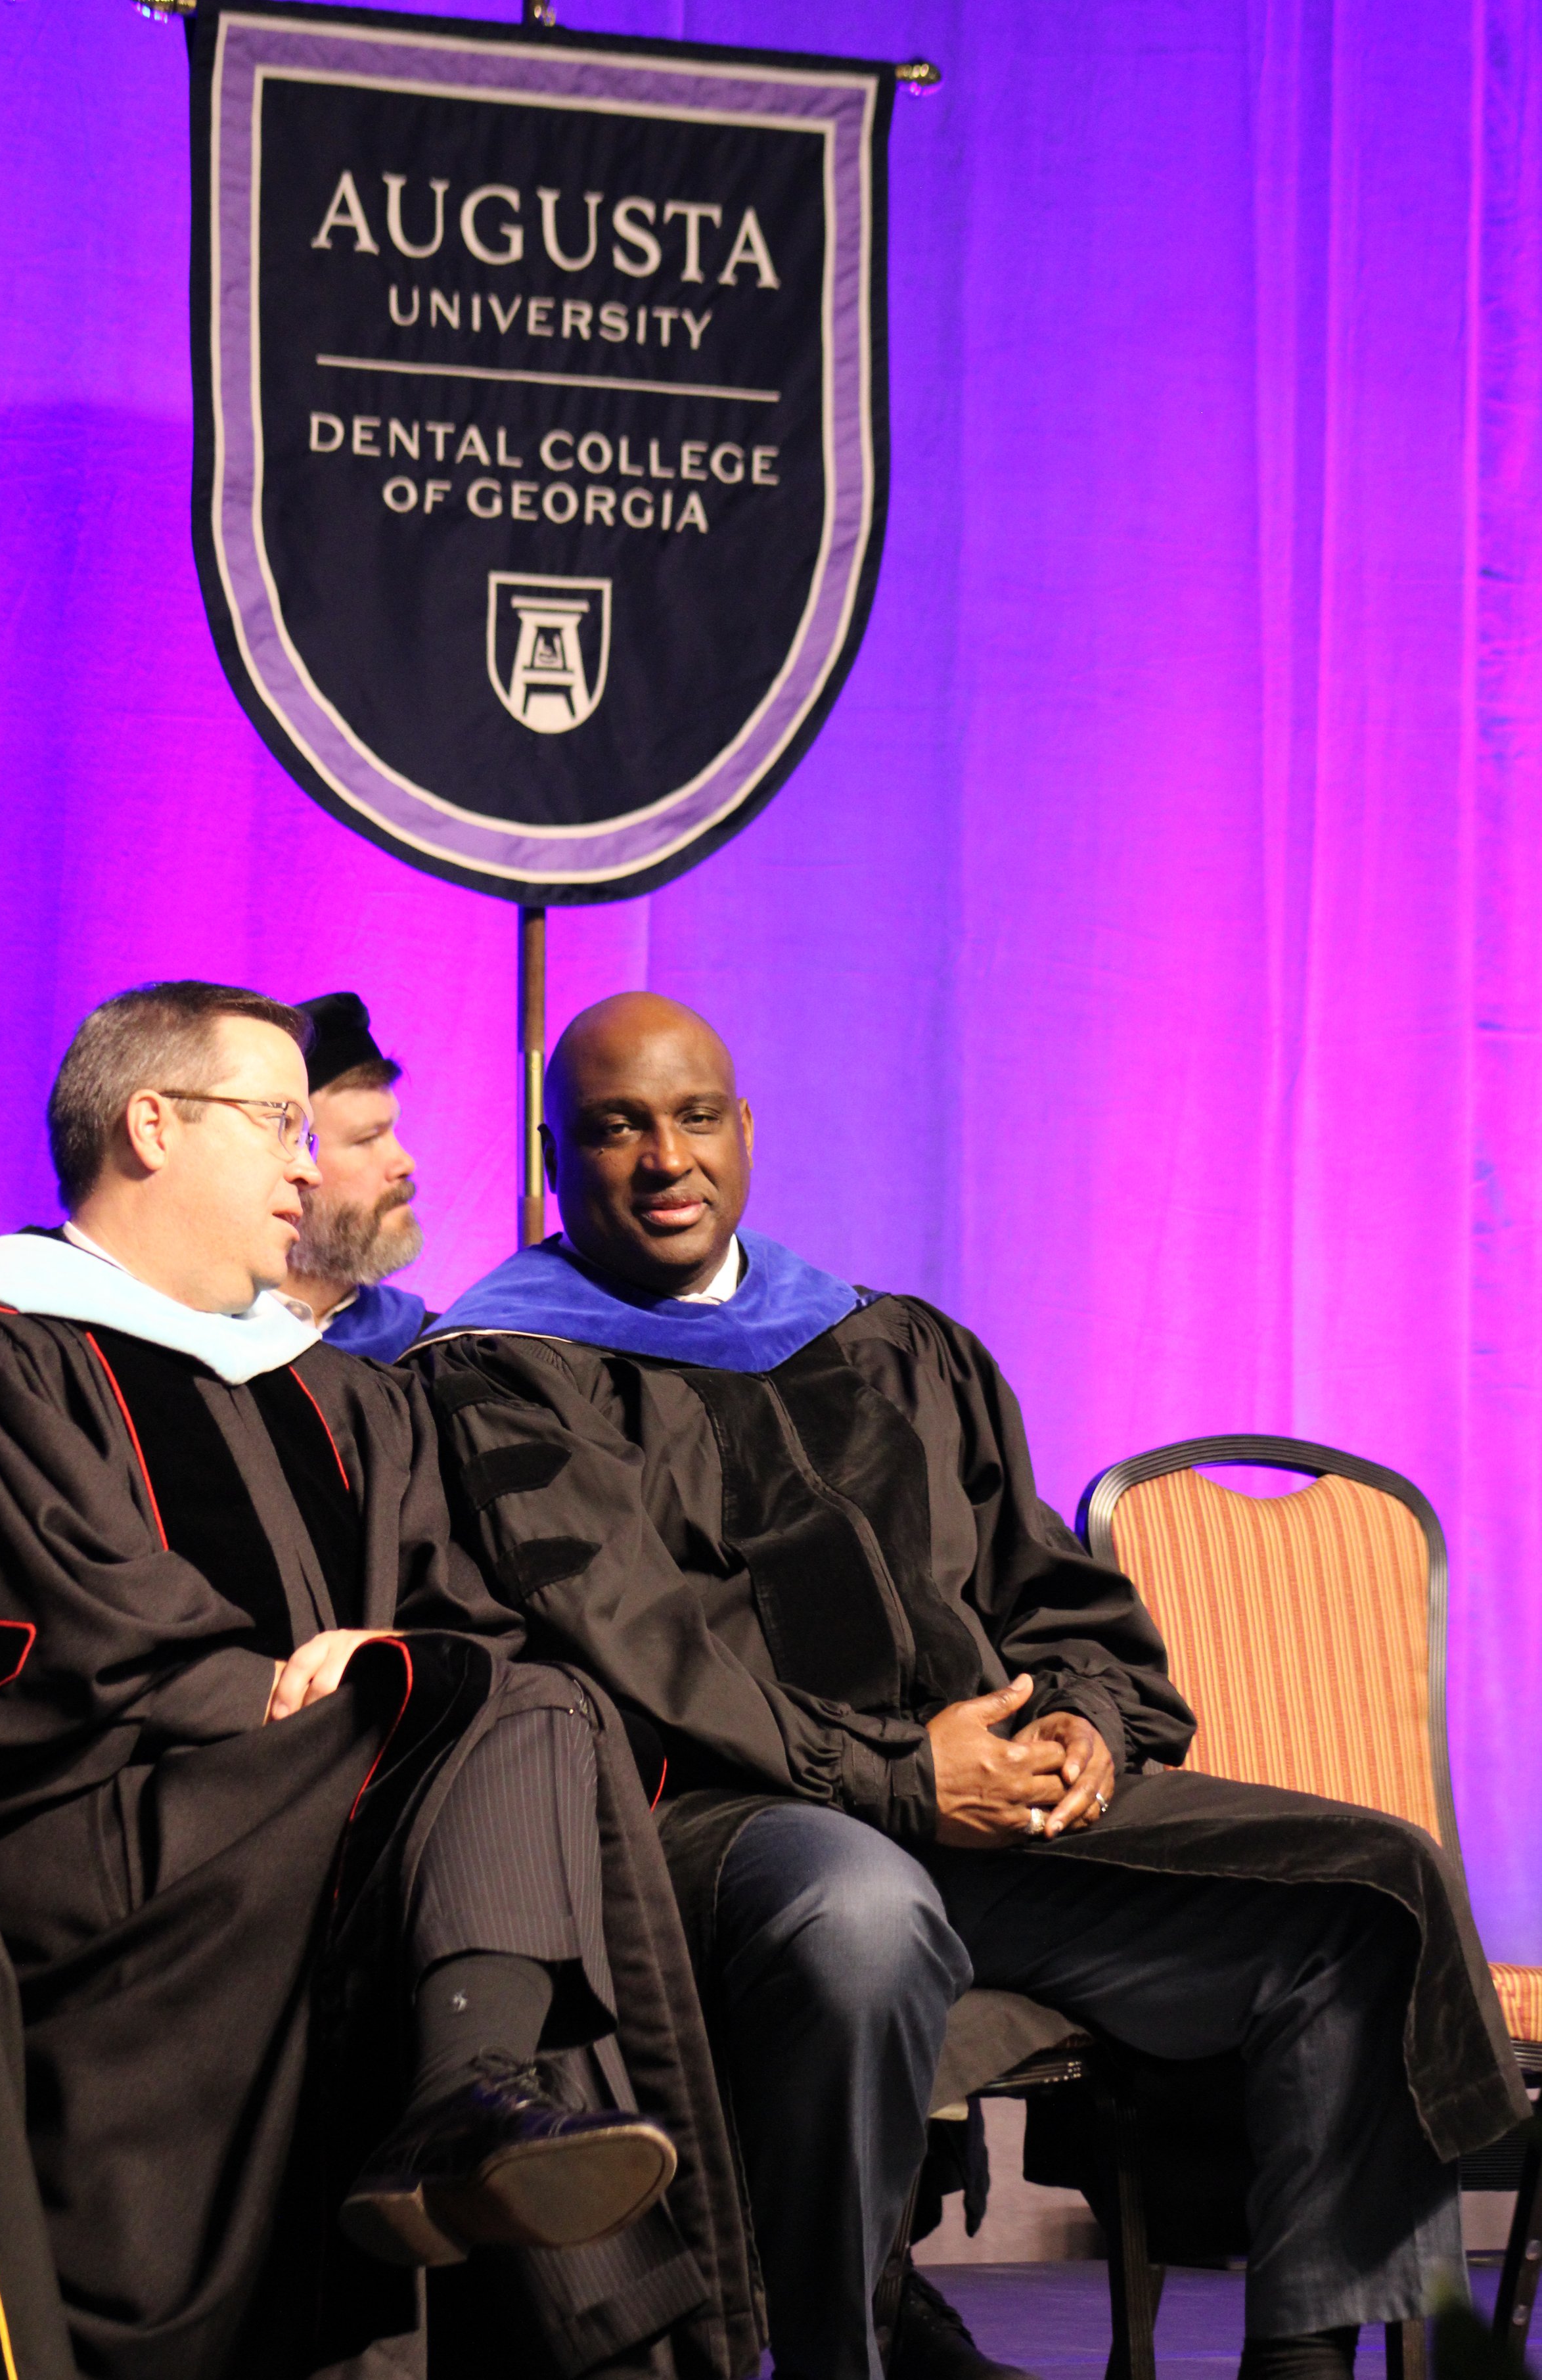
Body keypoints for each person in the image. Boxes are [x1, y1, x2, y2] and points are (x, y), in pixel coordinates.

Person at [407, 992, 1530, 2380]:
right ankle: (832, 2357)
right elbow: (633, 1641)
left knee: (1357, 1890)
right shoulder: (502, 1375)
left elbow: (1052, 1596)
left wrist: (1081, 1725)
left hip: (983, 1812)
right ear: (550, 1157)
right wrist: (893, 1778)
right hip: (718, 1825)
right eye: (616, 1129)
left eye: (695, 1117)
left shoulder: (892, 1346)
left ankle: (1303, 2360)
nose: (664, 1159)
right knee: (861, 1913)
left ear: (745, 1129)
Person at [0, 982, 756, 2380]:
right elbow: (45, 1647)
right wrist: (357, 1699)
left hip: (327, 1817)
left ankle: (472, 2101)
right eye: (279, 1124)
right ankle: (531, 2189)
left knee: (528, 1701)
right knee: (515, 1712)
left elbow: (462, 1625)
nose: (313, 1165)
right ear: (152, 1125)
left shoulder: (346, 1394)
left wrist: (397, 1673)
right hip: (109, 1850)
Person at [283, 990, 433, 1361]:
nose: (404, 1163)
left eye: (394, 1132)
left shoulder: (434, 1357)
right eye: (367, 1138)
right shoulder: (182, 1354)